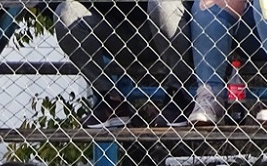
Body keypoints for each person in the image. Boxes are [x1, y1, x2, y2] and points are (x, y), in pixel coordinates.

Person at [52, 0, 194, 127]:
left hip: (163, 28)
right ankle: (110, 101)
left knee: (161, 4)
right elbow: (47, 6)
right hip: (116, 33)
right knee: (65, 12)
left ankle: (179, 96)